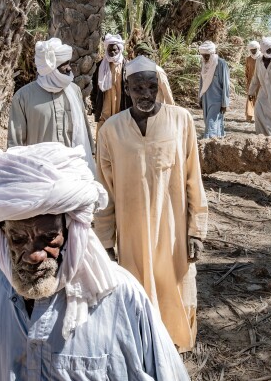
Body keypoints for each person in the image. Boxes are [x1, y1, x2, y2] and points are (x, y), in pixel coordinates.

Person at [0, 143, 190, 380]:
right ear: (2, 233)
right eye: (18, 239)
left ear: (71, 230)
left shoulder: (120, 295)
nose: (34, 256)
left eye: (48, 238)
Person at [95, 56, 208, 352]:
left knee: (176, 287)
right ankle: (144, 349)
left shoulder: (181, 120)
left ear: (159, 86)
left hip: (173, 232)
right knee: (135, 290)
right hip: (131, 235)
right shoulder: (110, 131)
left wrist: (196, 231)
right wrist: (105, 241)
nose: (146, 94)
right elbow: (104, 191)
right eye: (138, 88)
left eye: (151, 87)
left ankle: (174, 346)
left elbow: (193, 178)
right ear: (127, 89)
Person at [7, 38, 94, 170]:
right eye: (63, 64)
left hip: (73, 170)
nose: (69, 68)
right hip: (40, 172)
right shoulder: (23, 97)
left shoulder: (74, 91)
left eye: (68, 63)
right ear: (50, 69)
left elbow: (84, 131)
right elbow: (15, 145)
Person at [91, 33, 131, 132]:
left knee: (120, 126)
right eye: (110, 50)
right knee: (103, 125)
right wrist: (94, 104)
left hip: (121, 102)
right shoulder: (100, 66)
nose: (112, 52)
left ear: (120, 49)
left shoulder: (127, 66)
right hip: (105, 102)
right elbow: (94, 87)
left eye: (115, 50)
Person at [197, 40, 230, 138]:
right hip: (206, 99)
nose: (205, 58)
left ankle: (208, 141)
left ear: (212, 53)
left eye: (207, 55)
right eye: (204, 55)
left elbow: (226, 84)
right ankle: (217, 140)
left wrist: (225, 103)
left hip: (217, 99)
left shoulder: (221, 63)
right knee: (210, 121)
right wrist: (200, 98)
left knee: (211, 122)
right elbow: (202, 82)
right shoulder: (204, 64)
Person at [245, 40, 261, 122]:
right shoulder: (248, 59)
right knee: (250, 99)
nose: (253, 51)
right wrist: (247, 82)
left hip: (260, 83)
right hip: (251, 82)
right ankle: (249, 116)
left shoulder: (262, 58)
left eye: (254, 49)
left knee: (259, 100)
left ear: (258, 48)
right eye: (251, 50)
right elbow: (247, 71)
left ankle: (259, 117)